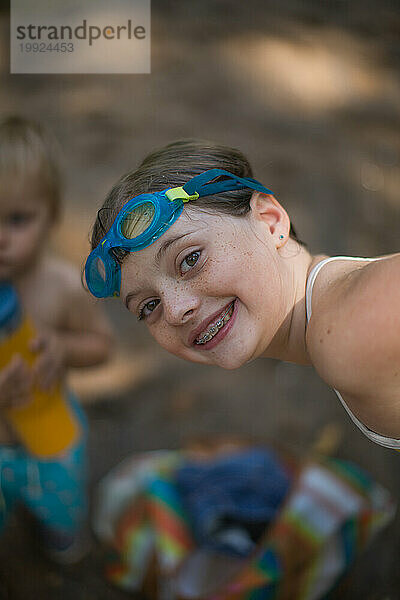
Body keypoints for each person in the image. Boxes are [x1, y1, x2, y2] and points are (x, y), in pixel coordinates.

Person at [85, 139, 400, 450]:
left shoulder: (348, 332)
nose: (175, 310)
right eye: (148, 306)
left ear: (269, 220)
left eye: (190, 259)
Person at [0, 116, 113, 562]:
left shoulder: (63, 287)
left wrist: (64, 348)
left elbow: (102, 346)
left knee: (62, 520)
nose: (0, 238)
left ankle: (62, 540)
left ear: (52, 215)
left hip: (51, 438)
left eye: (18, 219)